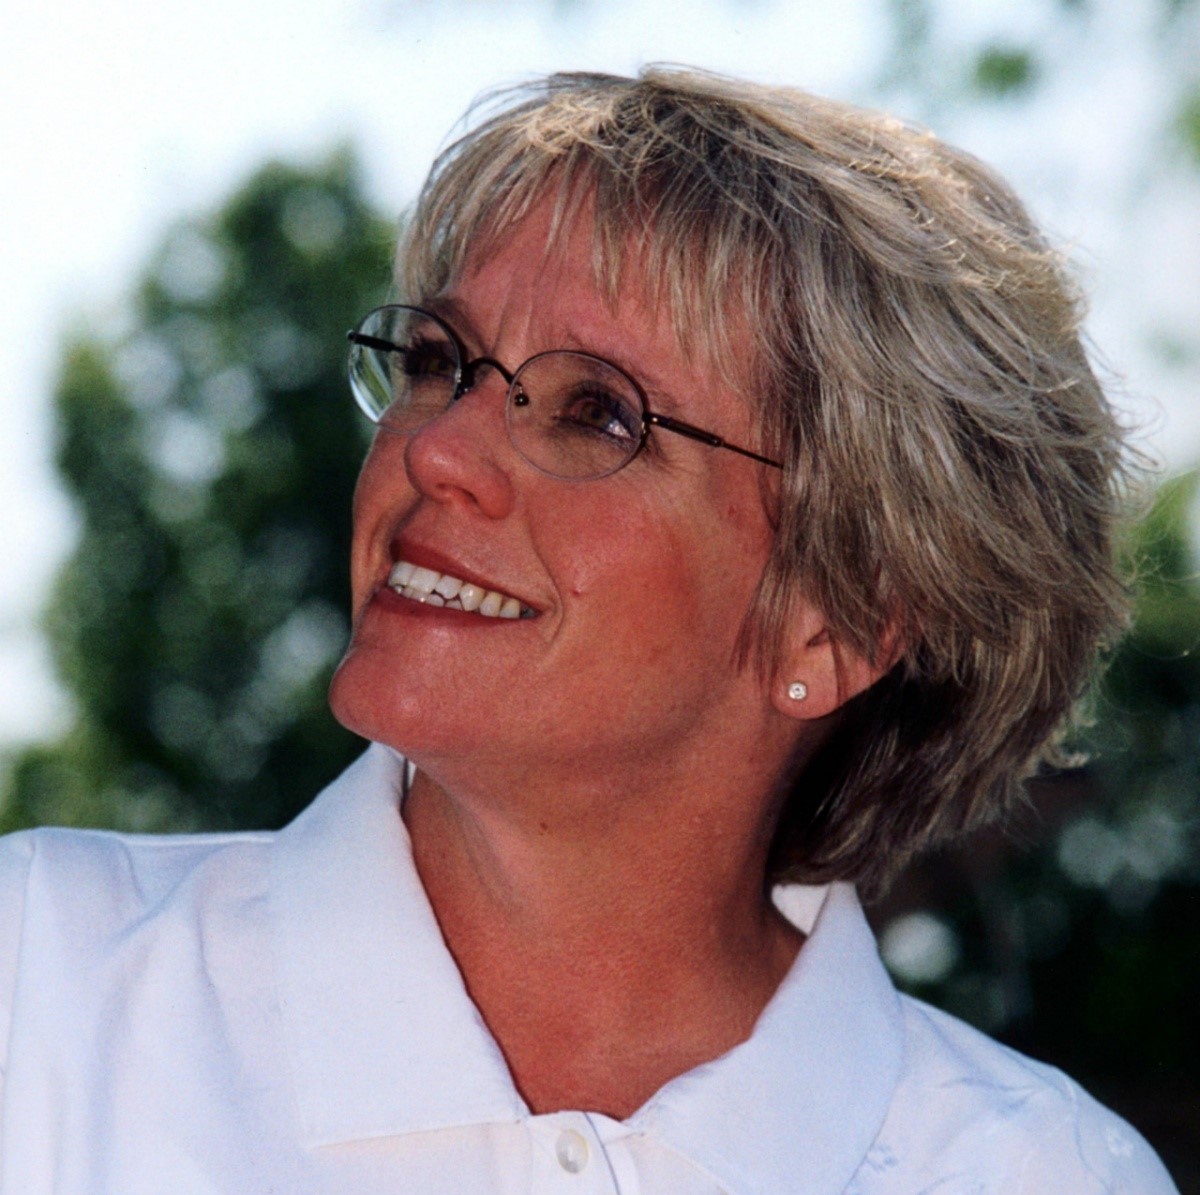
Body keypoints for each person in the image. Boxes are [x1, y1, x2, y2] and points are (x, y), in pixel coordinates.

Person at [0, 68, 1179, 1193]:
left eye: (596, 414)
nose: (438, 449)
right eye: (437, 361)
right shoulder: (40, 987)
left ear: (838, 629)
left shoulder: (1042, 1175)